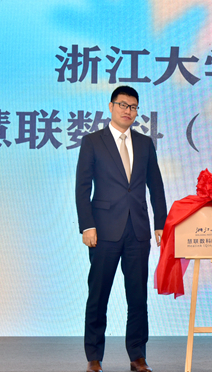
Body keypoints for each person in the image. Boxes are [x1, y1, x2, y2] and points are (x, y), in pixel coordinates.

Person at [75, 86, 167, 372]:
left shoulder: (145, 143)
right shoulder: (93, 141)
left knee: (138, 297)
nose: (128, 111)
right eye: (123, 105)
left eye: (133, 107)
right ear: (111, 106)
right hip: (103, 230)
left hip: (137, 230)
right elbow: (82, 187)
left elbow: (156, 185)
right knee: (98, 294)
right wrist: (87, 225)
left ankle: (137, 356)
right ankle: (94, 357)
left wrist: (160, 224)